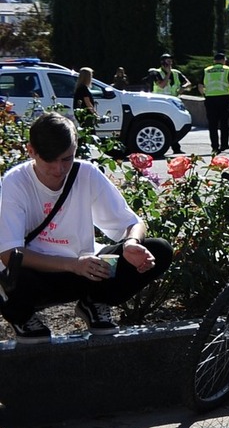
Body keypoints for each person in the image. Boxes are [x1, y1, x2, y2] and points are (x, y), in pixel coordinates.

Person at [0, 112, 171, 335]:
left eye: (66, 159)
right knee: (15, 274)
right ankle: (22, 317)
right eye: (49, 160)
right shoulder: (16, 180)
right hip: (39, 275)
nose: (58, 169)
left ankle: (94, 301)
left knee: (160, 249)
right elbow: (8, 254)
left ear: (76, 148)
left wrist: (131, 243)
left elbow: (133, 223)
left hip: (84, 271)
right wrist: (72, 264)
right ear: (31, 151)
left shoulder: (86, 173)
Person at [202, 52, 229, 154]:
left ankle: (215, 147)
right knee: (224, 122)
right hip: (224, 98)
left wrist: (205, 94)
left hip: (210, 99)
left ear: (214, 61)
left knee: (213, 124)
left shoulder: (206, 70)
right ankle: (224, 145)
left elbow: (200, 85)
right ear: (223, 60)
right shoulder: (227, 69)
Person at [71, 67, 98, 134]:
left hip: (81, 115)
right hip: (86, 116)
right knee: (90, 133)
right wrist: (95, 114)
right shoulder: (84, 89)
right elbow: (88, 103)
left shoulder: (79, 88)